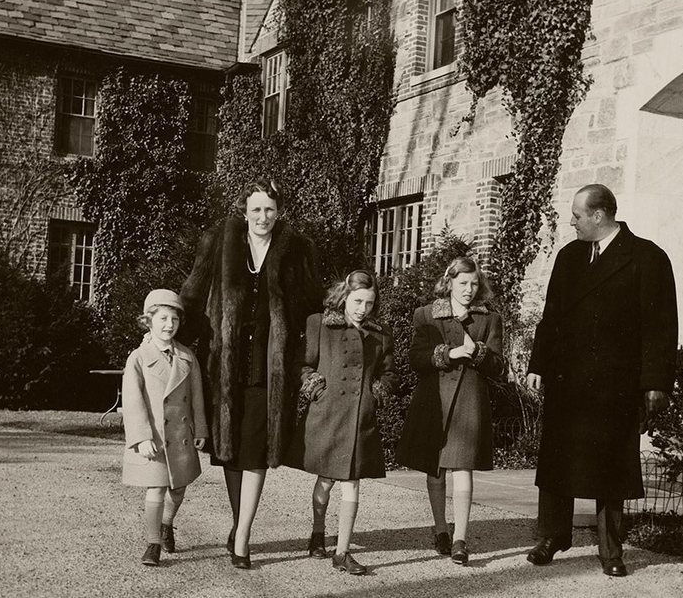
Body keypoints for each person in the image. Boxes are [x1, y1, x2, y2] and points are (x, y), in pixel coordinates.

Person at [526, 184, 677, 578]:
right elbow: (552, 316)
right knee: (557, 461)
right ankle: (551, 537)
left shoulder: (647, 257)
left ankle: (611, 550)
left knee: (612, 468)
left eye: (577, 214)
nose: (571, 221)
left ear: (599, 215)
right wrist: (538, 364)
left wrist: (655, 383)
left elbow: (660, 327)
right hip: (567, 381)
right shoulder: (569, 256)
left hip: (616, 385)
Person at [178, 178, 322, 569]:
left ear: (280, 212)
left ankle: (243, 536)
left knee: (256, 449)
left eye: (270, 209)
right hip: (224, 362)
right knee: (230, 452)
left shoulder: (296, 250)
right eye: (256, 209)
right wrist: (173, 337)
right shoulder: (218, 242)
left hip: (269, 365)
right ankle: (239, 522)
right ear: (244, 210)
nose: (263, 217)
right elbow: (192, 296)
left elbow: (313, 305)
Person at [287, 269, 399, 576]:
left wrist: (375, 394)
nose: (363, 309)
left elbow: (390, 374)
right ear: (344, 297)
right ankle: (318, 531)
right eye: (358, 301)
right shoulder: (319, 324)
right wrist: (315, 386)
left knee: (352, 481)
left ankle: (343, 551)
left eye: (369, 303)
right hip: (327, 414)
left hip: (359, 418)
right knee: (326, 478)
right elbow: (302, 364)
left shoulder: (380, 333)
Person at [396, 256, 504, 566]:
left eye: (474, 283)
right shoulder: (426, 315)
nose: (469, 289)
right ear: (449, 282)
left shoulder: (488, 319)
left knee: (463, 468)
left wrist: (479, 353)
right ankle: (441, 528)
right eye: (462, 283)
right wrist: (450, 352)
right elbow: (415, 359)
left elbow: (498, 366)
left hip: (469, 399)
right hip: (434, 401)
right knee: (436, 467)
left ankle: (460, 538)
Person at [121, 289, 208, 567]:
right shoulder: (138, 357)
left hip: (181, 436)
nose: (169, 325)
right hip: (155, 437)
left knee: (179, 487)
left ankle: (166, 524)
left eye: (174, 319)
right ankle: (153, 543)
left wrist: (202, 429)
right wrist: (141, 437)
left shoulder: (187, 356)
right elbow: (133, 401)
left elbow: (197, 397)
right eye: (162, 318)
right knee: (156, 489)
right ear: (148, 321)